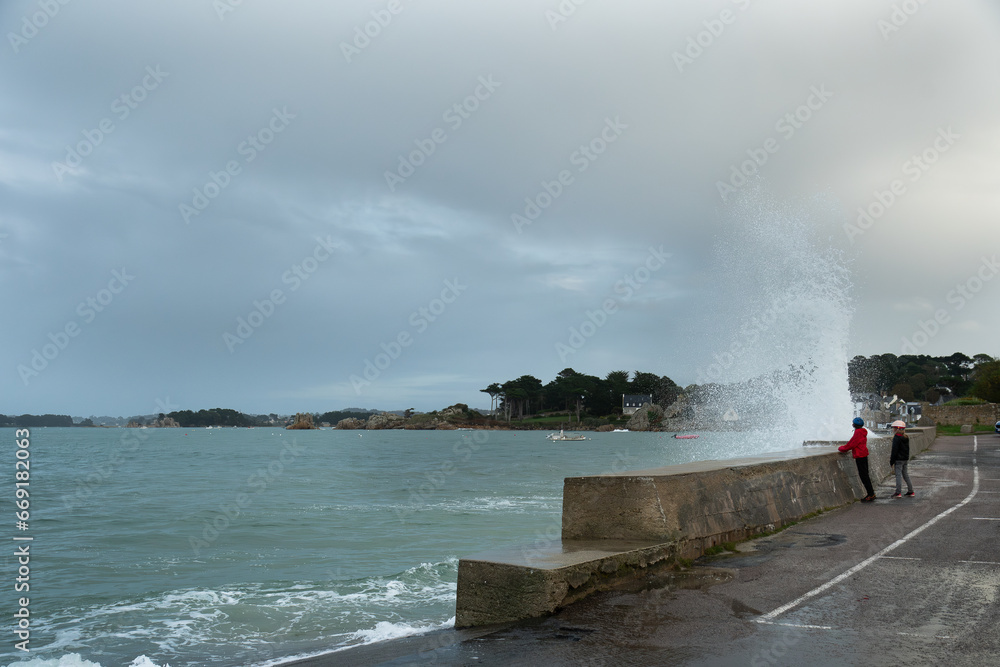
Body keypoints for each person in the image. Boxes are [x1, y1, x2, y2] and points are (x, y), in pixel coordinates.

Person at [839, 417, 875, 502]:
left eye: (853, 423)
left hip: (860, 456)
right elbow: (853, 442)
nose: (852, 424)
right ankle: (871, 493)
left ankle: (870, 495)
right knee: (865, 475)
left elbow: (852, 443)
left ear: (855, 425)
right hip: (864, 454)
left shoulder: (858, 432)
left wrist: (842, 448)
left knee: (864, 476)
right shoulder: (862, 431)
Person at [889, 420, 914, 498]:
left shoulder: (896, 438)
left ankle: (898, 492)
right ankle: (911, 491)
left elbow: (894, 451)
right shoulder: (906, 437)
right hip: (905, 459)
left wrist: (891, 461)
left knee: (898, 476)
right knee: (906, 475)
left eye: (894, 428)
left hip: (898, 460)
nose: (893, 430)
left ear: (897, 429)